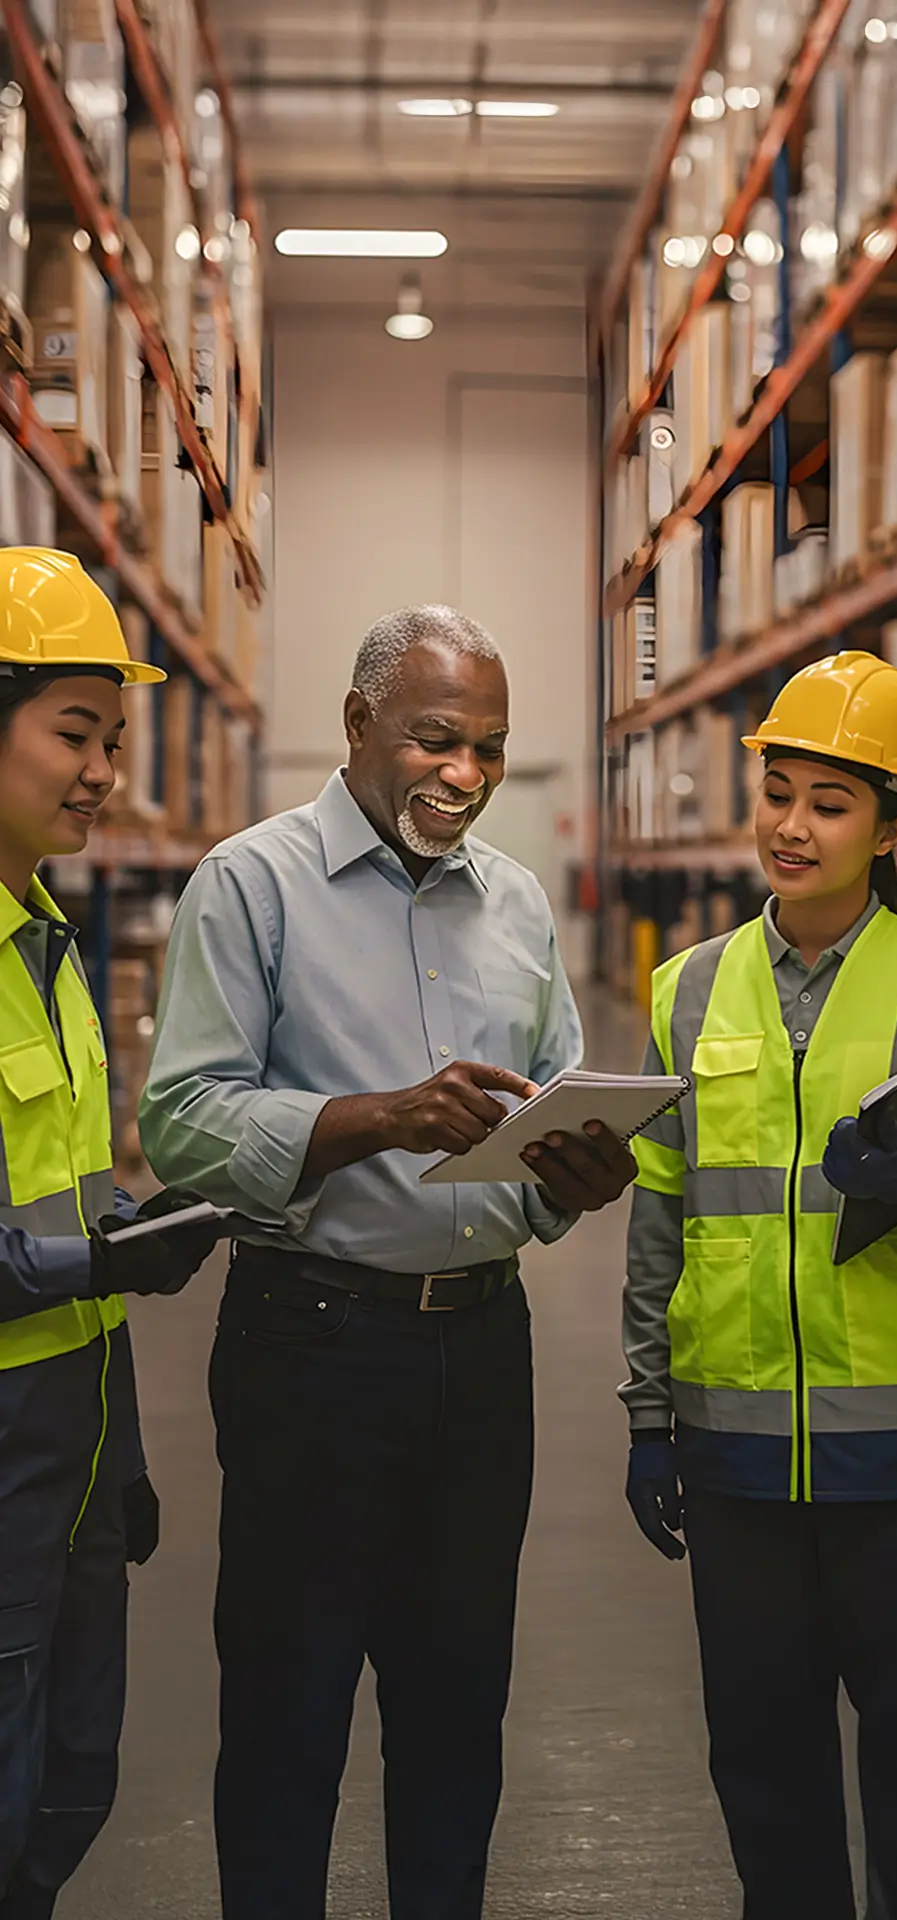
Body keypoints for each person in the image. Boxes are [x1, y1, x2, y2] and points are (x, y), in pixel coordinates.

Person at [138, 603, 637, 1920]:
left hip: (481, 1354)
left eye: (486, 748)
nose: (461, 776)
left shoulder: (518, 907)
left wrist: (572, 1180)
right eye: (433, 741)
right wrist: (380, 1121)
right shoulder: (251, 885)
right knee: (288, 1719)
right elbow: (183, 1126)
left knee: (457, 1714)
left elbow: (550, 1107)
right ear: (358, 726)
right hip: (311, 1346)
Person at [621, 651, 897, 1920]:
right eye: (777, 791)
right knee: (765, 1787)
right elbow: (661, 1216)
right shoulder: (687, 990)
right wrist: (648, 1417)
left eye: (830, 801)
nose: (791, 827)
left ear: (891, 826)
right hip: (740, 1471)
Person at [0, 548, 226, 1920]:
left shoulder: (46, 938)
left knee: (72, 1778)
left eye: (115, 741)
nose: (101, 771)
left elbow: (61, 1188)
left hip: (72, 1439)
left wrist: (134, 1224)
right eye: (73, 734)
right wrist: (104, 1262)